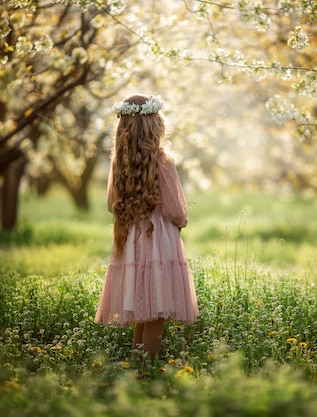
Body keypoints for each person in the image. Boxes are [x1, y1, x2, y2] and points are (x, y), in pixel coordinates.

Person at [94, 94, 199, 362]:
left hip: (132, 238)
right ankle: (145, 371)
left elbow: (111, 203)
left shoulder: (120, 161)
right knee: (157, 311)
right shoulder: (163, 160)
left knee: (146, 309)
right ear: (155, 124)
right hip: (159, 239)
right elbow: (177, 211)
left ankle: (137, 368)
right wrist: (179, 222)